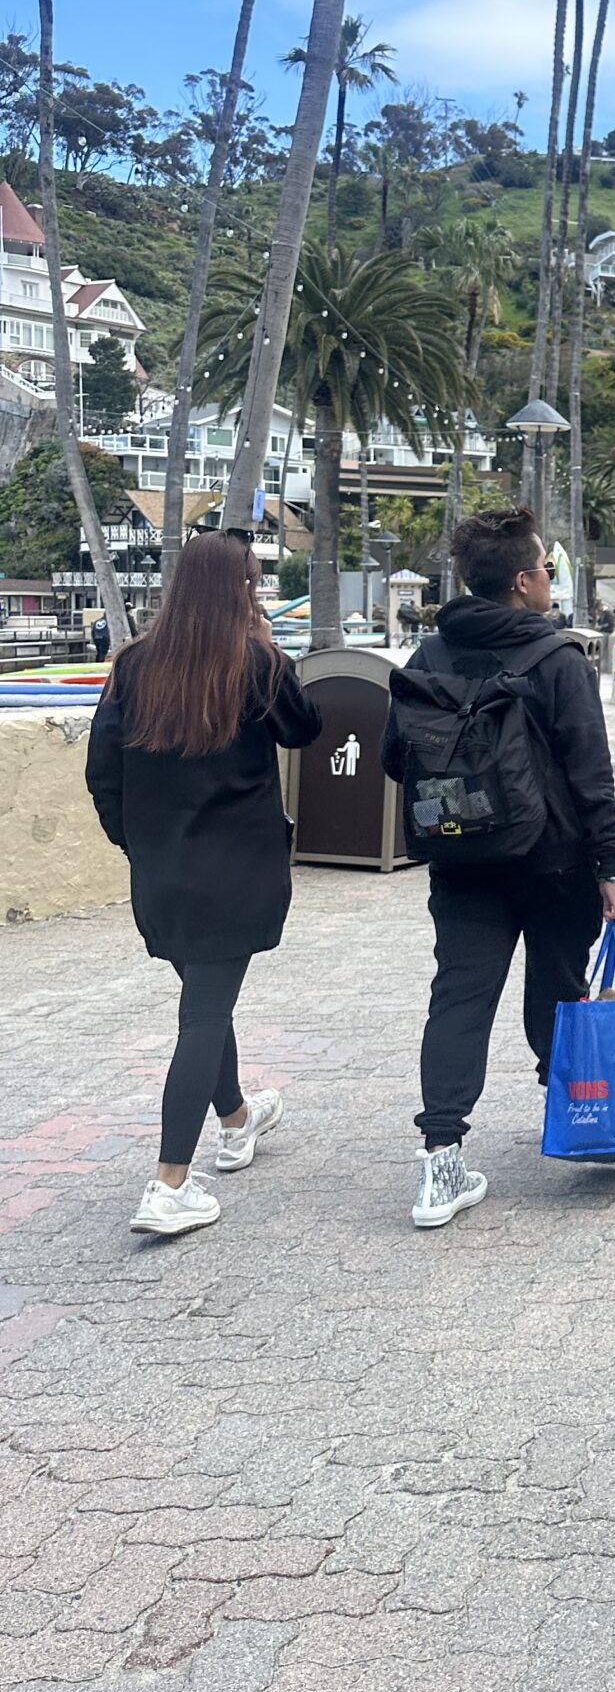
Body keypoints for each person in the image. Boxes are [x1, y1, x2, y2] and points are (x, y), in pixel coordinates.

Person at [382, 507, 615, 1230]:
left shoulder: (430, 656)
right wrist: (610, 863)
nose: (550, 579)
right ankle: (579, 1124)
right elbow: (592, 771)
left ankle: (440, 1162)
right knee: (559, 989)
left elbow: (398, 757)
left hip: (460, 857)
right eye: (546, 569)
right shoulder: (557, 659)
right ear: (523, 583)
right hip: (554, 860)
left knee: (459, 997)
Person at [85, 530, 324, 1237]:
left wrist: (140, 846)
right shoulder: (254, 663)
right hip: (237, 870)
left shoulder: (132, 665)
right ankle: (169, 1185)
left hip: (162, 874)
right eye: (253, 581)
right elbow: (305, 730)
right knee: (202, 1017)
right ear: (239, 589)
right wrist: (268, 644)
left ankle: (238, 1118)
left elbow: (104, 776)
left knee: (204, 1003)